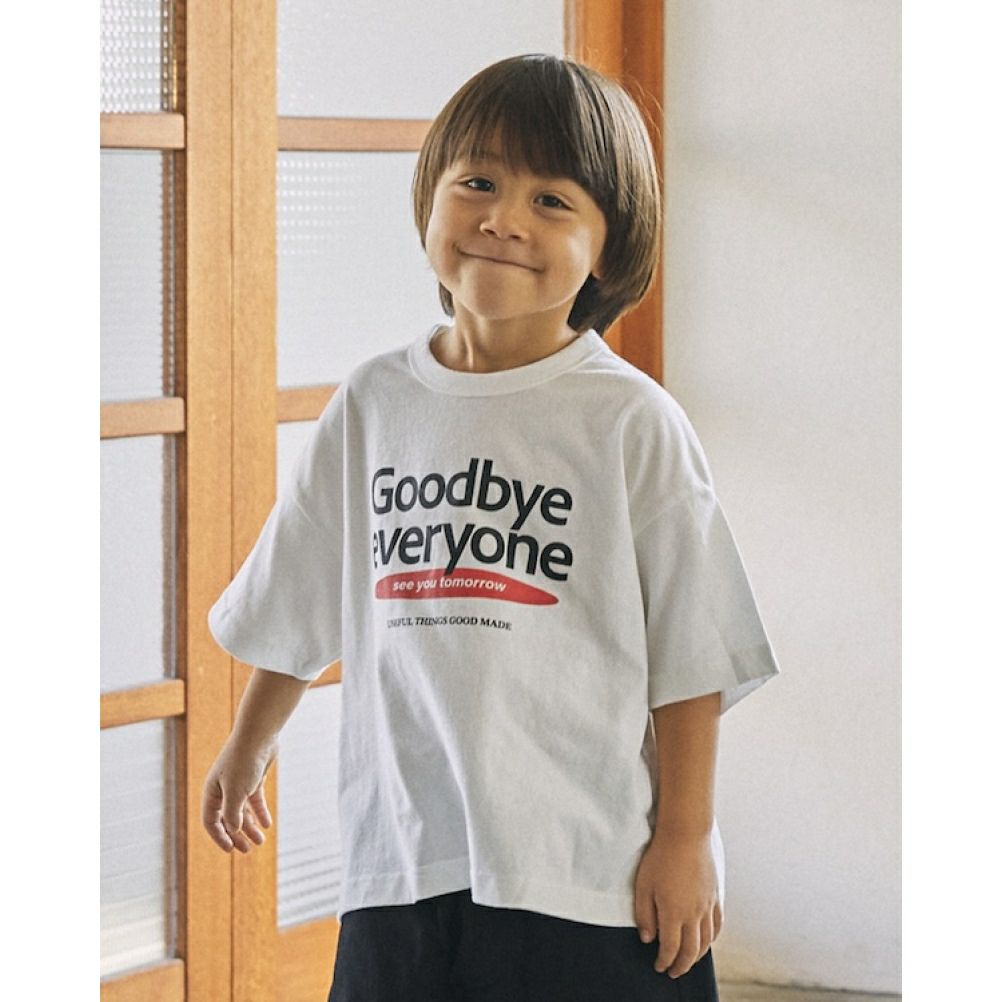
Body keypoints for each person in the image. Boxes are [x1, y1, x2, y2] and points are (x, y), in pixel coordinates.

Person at [202, 53, 780, 1002]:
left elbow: (694, 655)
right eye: (478, 182)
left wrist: (686, 837)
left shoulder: (628, 422)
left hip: (581, 870)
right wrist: (249, 743)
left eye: (552, 200)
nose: (505, 219)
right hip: (403, 856)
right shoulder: (375, 401)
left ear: (610, 244)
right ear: (431, 196)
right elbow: (300, 592)